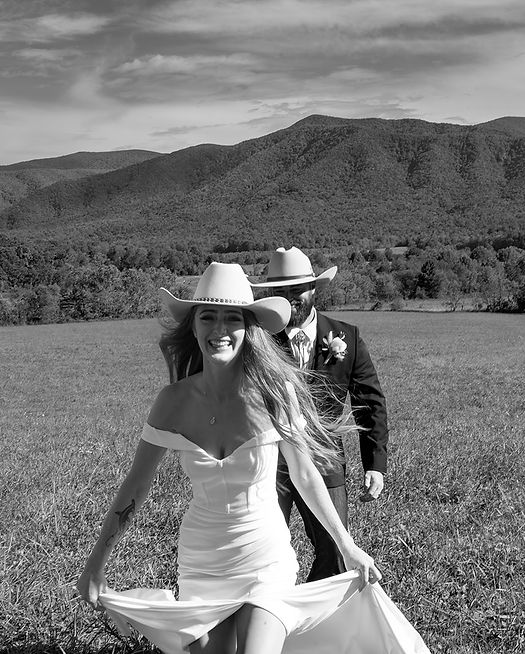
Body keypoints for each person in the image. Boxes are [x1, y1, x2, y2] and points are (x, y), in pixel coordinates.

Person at [77, 262, 428, 654]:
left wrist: (347, 546)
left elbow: (305, 475)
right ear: (193, 326)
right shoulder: (172, 403)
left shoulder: (275, 394)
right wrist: (95, 564)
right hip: (201, 562)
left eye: (233, 318)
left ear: (250, 327)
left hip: (266, 558)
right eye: (208, 317)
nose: (220, 330)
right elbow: (136, 486)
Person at [251, 247, 389, 582]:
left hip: (325, 459)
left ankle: (315, 625)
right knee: (266, 554)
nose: (289, 299)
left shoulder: (348, 338)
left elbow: (369, 401)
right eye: (280, 293)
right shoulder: (258, 339)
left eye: (296, 290)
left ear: (314, 290)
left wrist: (375, 464)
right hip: (268, 462)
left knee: (337, 555)